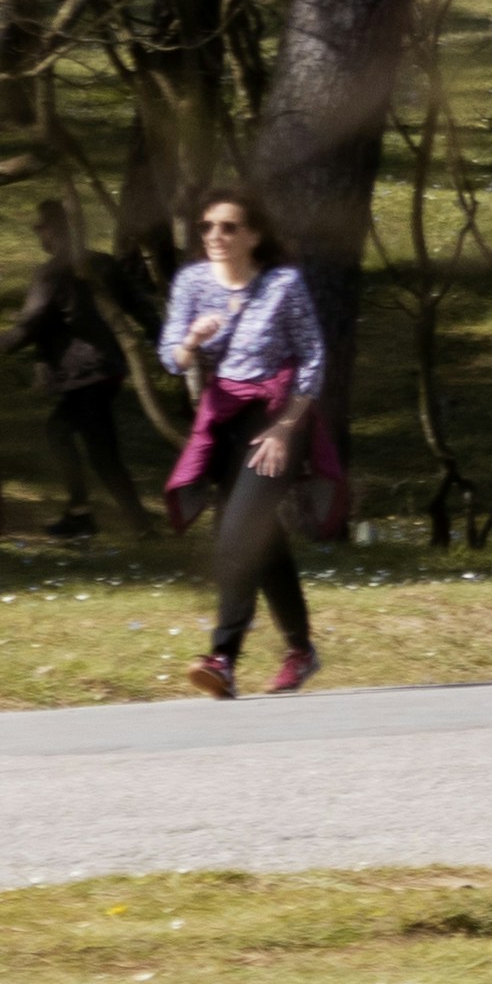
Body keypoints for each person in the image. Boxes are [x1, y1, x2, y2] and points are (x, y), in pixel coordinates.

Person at [154, 189, 339, 696]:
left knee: (236, 532)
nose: (216, 236)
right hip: (224, 419)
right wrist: (192, 340)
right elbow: (172, 357)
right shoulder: (192, 283)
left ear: (253, 235)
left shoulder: (283, 284)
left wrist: (285, 428)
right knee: (262, 539)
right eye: (208, 227)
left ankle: (222, 657)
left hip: (279, 417)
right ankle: (300, 650)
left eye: (229, 227)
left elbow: (313, 358)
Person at [5, 198, 156, 537]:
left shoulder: (53, 272)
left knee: (100, 452)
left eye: (39, 226)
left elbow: (30, 324)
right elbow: (142, 308)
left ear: (55, 230)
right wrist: (161, 338)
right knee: (62, 433)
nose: (36, 233)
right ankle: (84, 512)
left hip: (86, 375)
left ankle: (129, 524)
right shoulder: (103, 264)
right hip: (104, 373)